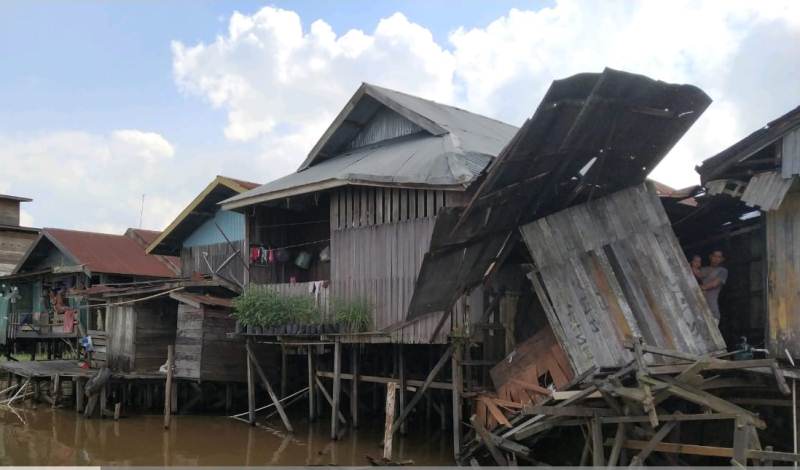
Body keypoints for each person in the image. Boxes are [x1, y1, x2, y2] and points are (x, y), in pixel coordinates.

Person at [699, 250, 728, 324]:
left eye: (719, 257)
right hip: (699, 308)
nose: (716, 259)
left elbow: (714, 284)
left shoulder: (722, 271)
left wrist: (700, 288)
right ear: (710, 257)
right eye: (714, 256)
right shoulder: (702, 270)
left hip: (712, 311)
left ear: (722, 259)